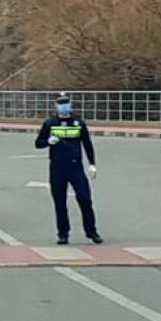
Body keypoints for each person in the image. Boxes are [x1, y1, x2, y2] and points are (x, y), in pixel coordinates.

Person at [35, 93, 102, 245]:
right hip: (57, 167)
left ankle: (91, 231)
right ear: (56, 106)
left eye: (66, 103)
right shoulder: (50, 123)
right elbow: (38, 143)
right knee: (60, 202)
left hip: (75, 166)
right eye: (61, 104)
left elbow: (87, 143)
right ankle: (63, 233)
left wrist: (92, 164)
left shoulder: (78, 122)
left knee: (85, 199)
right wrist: (48, 141)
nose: (64, 106)